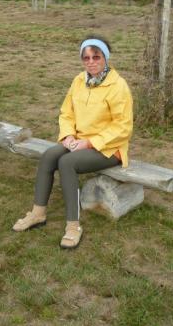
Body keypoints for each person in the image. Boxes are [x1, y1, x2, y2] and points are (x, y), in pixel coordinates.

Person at [12, 36, 133, 249]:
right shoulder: (79, 80)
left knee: (67, 163)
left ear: (106, 58)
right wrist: (68, 135)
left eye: (96, 57)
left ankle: (73, 226)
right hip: (78, 141)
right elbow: (66, 112)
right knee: (50, 155)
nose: (91, 62)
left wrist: (89, 143)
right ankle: (38, 213)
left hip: (109, 148)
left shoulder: (118, 86)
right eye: (86, 58)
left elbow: (123, 127)